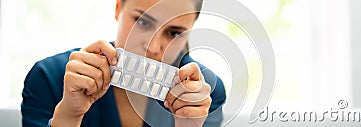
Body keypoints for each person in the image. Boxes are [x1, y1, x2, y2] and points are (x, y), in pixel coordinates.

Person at [21, 0, 226, 126]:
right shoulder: (49, 76)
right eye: (143, 22)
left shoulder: (204, 93)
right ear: (118, 7)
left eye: (174, 33)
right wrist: (67, 117)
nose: (153, 47)